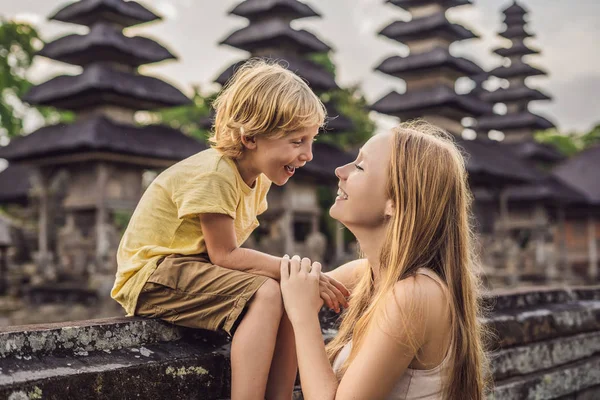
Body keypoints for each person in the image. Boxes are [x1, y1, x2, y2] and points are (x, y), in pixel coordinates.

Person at [111, 59, 350, 400]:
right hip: (152, 274)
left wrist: (293, 280)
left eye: (310, 141)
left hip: (192, 268)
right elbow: (225, 255)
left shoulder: (258, 182)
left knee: (287, 293)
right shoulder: (216, 174)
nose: (308, 154)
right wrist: (293, 270)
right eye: (297, 142)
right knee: (268, 292)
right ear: (250, 137)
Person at [280, 121, 490, 399]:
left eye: (360, 167)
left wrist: (304, 315)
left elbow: (298, 298)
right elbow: (282, 286)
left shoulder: (415, 294)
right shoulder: (366, 275)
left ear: (395, 201)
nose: (340, 171)